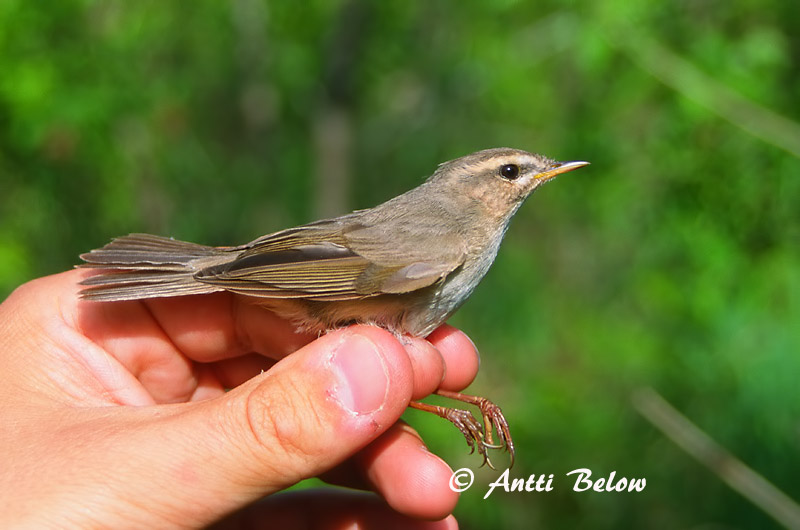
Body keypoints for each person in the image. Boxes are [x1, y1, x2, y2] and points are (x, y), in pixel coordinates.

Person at [0, 269, 482, 528]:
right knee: (382, 364)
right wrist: (233, 272)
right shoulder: (446, 238)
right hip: (325, 295)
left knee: (393, 364)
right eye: (509, 172)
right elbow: (359, 326)